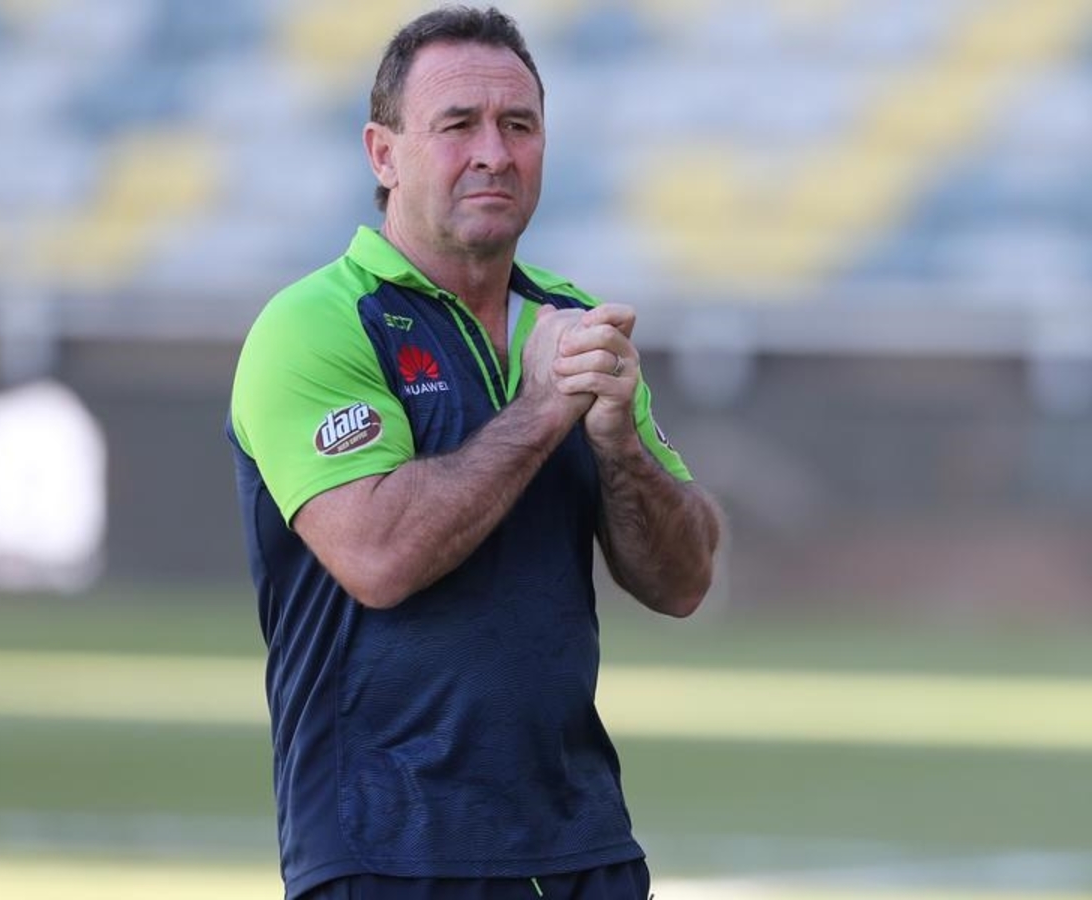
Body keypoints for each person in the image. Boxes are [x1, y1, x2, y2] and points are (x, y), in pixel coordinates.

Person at [227, 6, 721, 898]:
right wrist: (542, 410)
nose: (494, 152)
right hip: (386, 850)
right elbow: (380, 556)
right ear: (383, 154)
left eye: (518, 125)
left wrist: (619, 447)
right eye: (458, 125)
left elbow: (683, 581)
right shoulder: (315, 325)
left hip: (581, 847)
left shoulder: (574, 323)